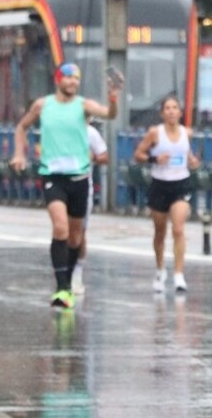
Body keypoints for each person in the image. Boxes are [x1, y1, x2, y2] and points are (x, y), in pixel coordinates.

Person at [10, 62, 120, 309]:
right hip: (53, 177)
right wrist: (19, 153)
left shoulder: (83, 106)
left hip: (79, 178)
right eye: (68, 78)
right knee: (60, 229)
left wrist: (113, 98)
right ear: (57, 79)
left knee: (75, 236)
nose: (73, 82)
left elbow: (110, 115)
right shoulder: (43, 105)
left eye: (77, 79)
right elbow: (22, 127)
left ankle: (68, 283)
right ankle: (61, 289)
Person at [132, 96, 200, 293]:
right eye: (167, 108)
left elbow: (187, 154)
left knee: (178, 229)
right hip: (160, 184)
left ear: (180, 112)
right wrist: (154, 158)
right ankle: (160, 269)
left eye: (175, 108)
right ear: (162, 113)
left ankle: (179, 274)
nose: (171, 111)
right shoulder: (155, 133)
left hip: (181, 184)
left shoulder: (187, 133)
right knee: (160, 232)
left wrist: (193, 161)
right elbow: (138, 155)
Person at [70, 123, 112, 295]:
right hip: (60, 185)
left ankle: (77, 273)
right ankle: (63, 273)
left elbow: (105, 157)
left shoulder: (90, 132)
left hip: (82, 187)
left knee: (79, 232)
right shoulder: (60, 129)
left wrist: (93, 157)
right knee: (62, 230)